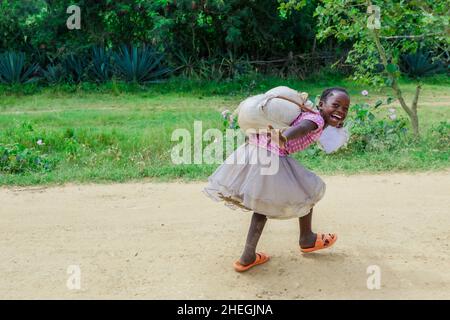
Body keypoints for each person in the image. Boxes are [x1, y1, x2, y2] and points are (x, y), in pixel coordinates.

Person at [204, 87, 350, 272]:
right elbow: (302, 128)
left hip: (255, 150)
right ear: (321, 104)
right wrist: (284, 137)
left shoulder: (313, 114)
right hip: (271, 155)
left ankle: (251, 255)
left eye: (345, 109)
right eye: (335, 105)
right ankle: (306, 239)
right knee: (306, 192)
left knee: (266, 204)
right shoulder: (316, 119)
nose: (340, 111)